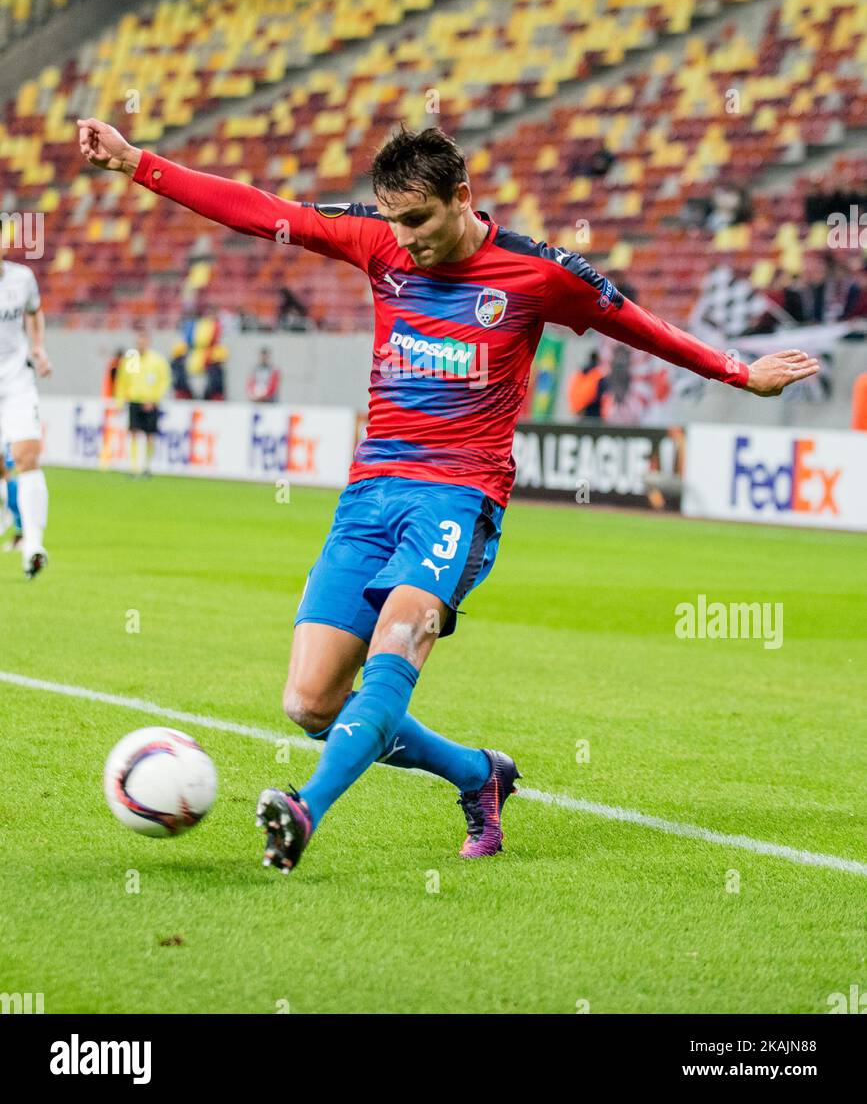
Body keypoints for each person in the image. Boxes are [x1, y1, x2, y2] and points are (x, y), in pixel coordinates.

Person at [77, 116, 820, 874]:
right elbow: (261, 209)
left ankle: (304, 808)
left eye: (419, 220)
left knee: (392, 658)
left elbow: (636, 325)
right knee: (309, 705)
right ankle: (478, 774)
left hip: (459, 497)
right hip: (369, 494)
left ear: (462, 197)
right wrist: (140, 164)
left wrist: (738, 371)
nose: (405, 238)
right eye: (394, 220)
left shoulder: (537, 273)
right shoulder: (377, 241)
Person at [0, 246, 51, 577]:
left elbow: (34, 311)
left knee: (26, 455)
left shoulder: (22, 279)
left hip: (17, 381)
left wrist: (37, 347)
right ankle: (6, 514)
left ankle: (33, 545)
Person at [113, 329, 170, 477]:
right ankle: (134, 468)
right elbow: (123, 382)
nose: (140, 344)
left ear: (148, 342)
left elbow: (164, 381)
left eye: (143, 341)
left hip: (150, 402)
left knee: (150, 435)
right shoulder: (132, 359)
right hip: (134, 400)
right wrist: (119, 402)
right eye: (138, 341)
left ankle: (147, 466)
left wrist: (154, 399)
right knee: (133, 433)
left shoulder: (156, 360)